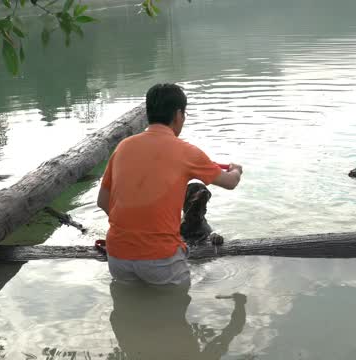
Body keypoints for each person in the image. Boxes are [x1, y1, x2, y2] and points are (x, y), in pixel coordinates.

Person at [97, 83, 243, 286]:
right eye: (184, 114)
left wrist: (132, 232)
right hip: (161, 259)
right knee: (176, 311)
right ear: (178, 114)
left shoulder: (123, 147)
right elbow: (230, 182)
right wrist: (236, 169)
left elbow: (103, 201)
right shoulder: (186, 151)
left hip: (118, 257)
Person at [109, 281, 246, 359]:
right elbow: (231, 331)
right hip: (133, 285)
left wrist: (240, 304)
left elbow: (232, 331)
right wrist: (240, 305)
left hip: (124, 271)